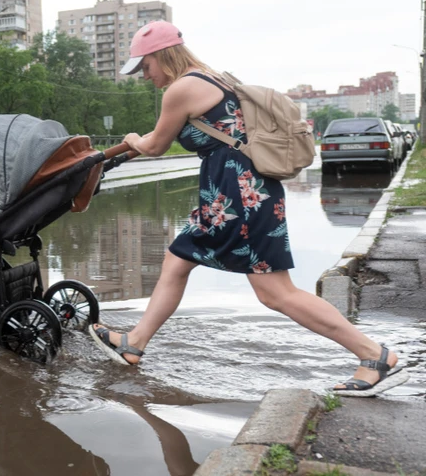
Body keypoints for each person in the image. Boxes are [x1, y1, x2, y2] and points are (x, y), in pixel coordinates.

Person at [88, 20, 408, 397]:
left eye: (145, 66)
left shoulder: (181, 88)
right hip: (236, 192)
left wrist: (131, 141)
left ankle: (375, 355)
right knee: (177, 260)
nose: (145, 75)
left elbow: (156, 145)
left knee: (275, 293)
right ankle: (134, 343)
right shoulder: (211, 78)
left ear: (161, 55)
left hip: (239, 195)